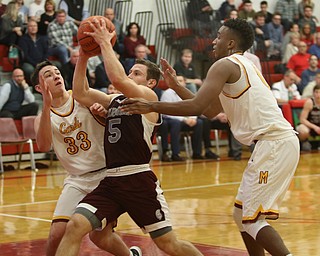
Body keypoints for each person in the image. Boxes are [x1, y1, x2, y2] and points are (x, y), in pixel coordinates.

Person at [122, 18, 299, 256]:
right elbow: (210, 110)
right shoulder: (240, 65)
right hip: (271, 144)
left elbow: (196, 107)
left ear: (231, 43)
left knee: (253, 221)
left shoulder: (224, 64)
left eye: (219, 36)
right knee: (241, 216)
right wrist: (175, 86)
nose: (214, 41)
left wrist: (151, 105)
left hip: (274, 142)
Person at [55, 18, 203, 256]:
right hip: (111, 181)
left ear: (151, 82)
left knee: (169, 245)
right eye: (131, 70)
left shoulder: (147, 99)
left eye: (137, 72)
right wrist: (83, 55)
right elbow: (81, 93)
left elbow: (118, 80)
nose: (131, 74)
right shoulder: (115, 100)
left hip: (138, 180)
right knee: (75, 226)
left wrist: (104, 42)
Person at [30, 60, 134, 256]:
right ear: (39, 87)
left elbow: (112, 121)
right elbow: (43, 145)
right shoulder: (43, 116)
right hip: (77, 180)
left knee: (99, 236)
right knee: (56, 234)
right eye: (48, 75)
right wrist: (45, 106)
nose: (56, 76)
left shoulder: (81, 98)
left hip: (105, 176)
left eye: (57, 72)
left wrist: (103, 114)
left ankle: (130, 255)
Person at [159, 75, 204, 161]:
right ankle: (175, 154)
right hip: (171, 120)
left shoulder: (188, 93)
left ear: (185, 83)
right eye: (177, 81)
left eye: (181, 81)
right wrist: (185, 119)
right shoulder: (167, 93)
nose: (179, 83)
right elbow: (167, 112)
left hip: (185, 120)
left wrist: (193, 118)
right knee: (176, 123)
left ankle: (197, 153)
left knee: (199, 123)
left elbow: (194, 108)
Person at [18, 19, 49, 84]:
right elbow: (25, 55)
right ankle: (35, 87)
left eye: (35, 26)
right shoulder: (23, 39)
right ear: (27, 28)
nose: (33, 28)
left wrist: (42, 62)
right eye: (31, 26)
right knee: (30, 70)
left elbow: (46, 51)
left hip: (41, 61)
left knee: (56, 65)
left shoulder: (41, 38)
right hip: (29, 62)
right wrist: (35, 64)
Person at [296, 84, 320, 150]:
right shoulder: (310, 102)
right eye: (316, 92)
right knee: (304, 131)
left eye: (319, 92)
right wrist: (315, 127)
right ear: (313, 93)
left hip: (318, 126)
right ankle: (302, 144)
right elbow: (302, 119)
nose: (318, 95)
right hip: (308, 125)